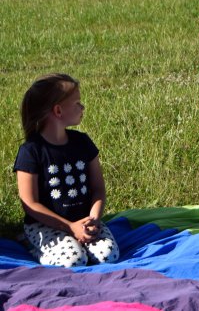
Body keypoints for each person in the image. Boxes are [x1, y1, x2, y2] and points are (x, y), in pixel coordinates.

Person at [13, 74, 119, 267]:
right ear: (58, 110)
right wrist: (69, 227)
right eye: (77, 102)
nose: (82, 107)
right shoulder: (31, 151)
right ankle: (31, 244)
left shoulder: (83, 143)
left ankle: (79, 240)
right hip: (46, 225)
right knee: (74, 261)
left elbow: (98, 189)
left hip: (84, 221)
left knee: (108, 256)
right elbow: (30, 203)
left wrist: (94, 219)